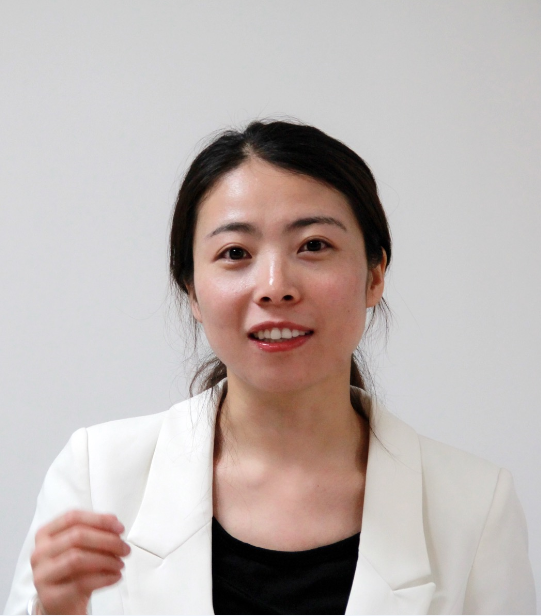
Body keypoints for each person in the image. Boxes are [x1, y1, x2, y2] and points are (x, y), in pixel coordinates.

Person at [4, 120, 536, 615]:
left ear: (375, 275)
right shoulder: (98, 476)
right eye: (236, 253)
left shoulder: (474, 507)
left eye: (314, 245)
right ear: (192, 289)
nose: (275, 287)